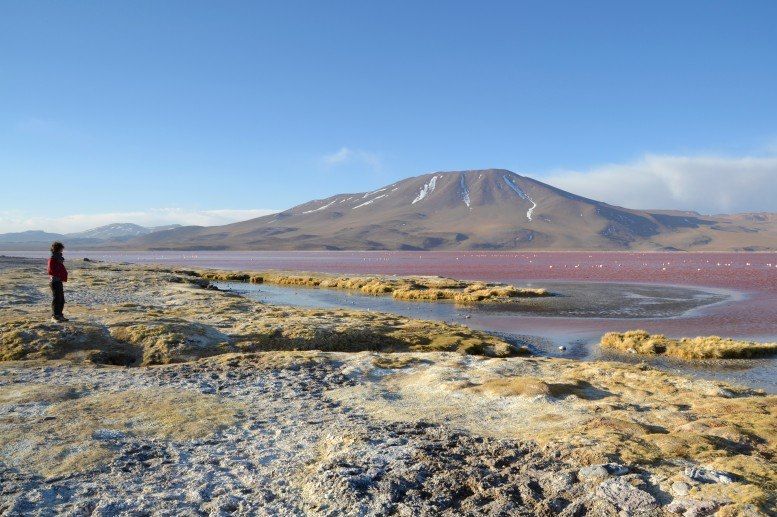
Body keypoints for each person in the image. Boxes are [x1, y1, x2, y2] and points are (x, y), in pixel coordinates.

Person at [47, 241, 68, 322]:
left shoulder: (58, 258)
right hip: (55, 281)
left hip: (59, 281)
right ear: (57, 249)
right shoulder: (53, 259)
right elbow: (50, 270)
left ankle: (59, 315)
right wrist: (59, 274)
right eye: (61, 249)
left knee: (61, 299)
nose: (62, 251)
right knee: (57, 299)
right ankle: (55, 316)